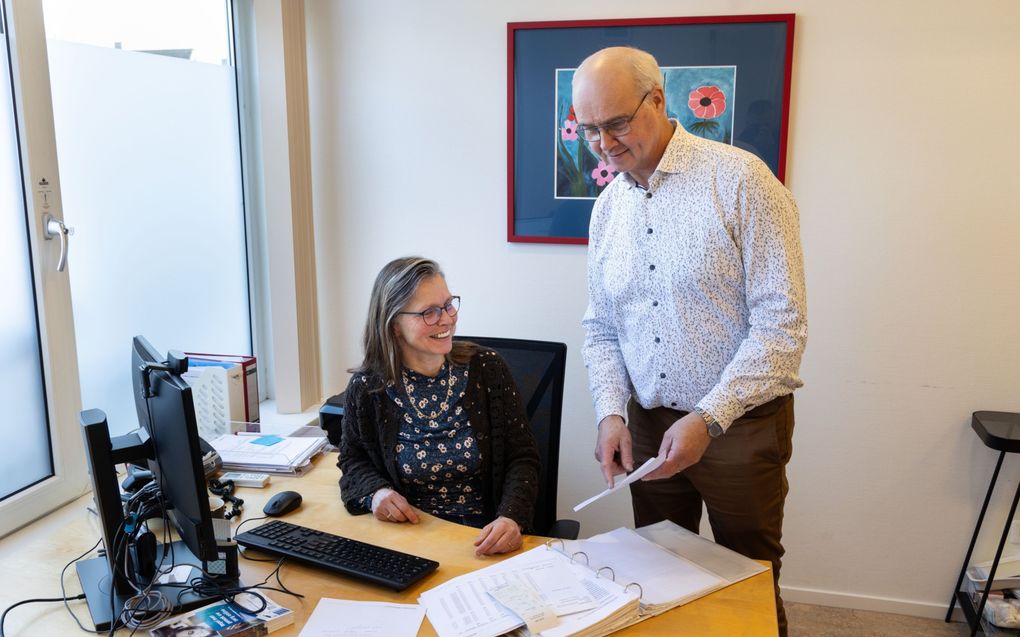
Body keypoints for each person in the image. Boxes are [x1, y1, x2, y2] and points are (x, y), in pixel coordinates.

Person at [573, 47, 807, 636]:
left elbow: (782, 327)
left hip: (740, 426)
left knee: (749, 577)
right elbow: (601, 326)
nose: (603, 143)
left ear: (658, 99)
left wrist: (710, 416)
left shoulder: (741, 180)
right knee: (657, 574)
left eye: (616, 123)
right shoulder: (606, 209)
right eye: (589, 129)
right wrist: (609, 413)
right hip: (647, 427)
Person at [339, 256, 540, 556]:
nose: (447, 318)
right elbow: (352, 459)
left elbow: (523, 458)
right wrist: (375, 493)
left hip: (481, 541)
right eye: (429, 313)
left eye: (448, 304)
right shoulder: (369, 388)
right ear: (394, 324)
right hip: (406, 542)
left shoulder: (487, 370)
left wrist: (511, 517)